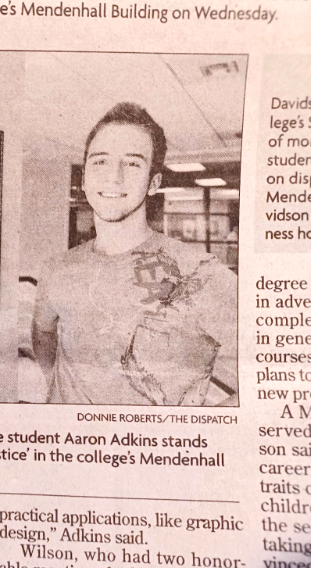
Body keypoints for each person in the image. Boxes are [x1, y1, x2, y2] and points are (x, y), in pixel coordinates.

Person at [32, 103, 237, 406]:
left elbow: (277, 374)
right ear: (84, 177)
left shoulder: (200, 272)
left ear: (154, 183)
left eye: (132, 164)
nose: (113, 177)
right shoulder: (57, 268)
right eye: (100, 162)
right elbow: (43, 334)